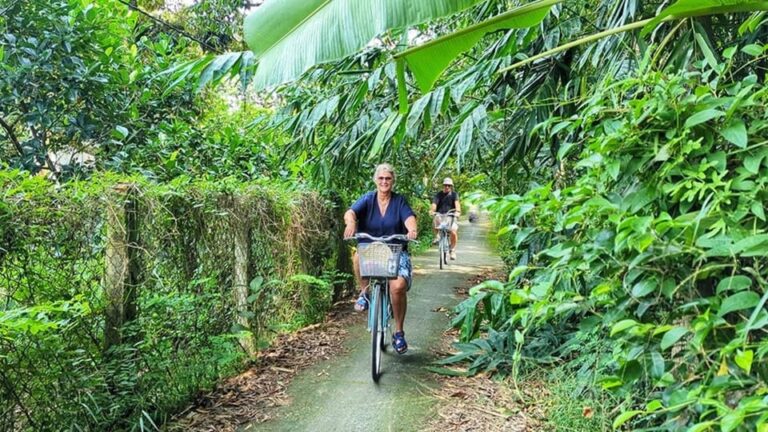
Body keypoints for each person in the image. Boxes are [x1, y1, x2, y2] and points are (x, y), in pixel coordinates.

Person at [343, 163, 418, 354]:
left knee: (398, 287)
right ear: (376, 180)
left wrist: (412, 229)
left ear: (393, 181)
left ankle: (399, 332)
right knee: (357, 256)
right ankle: (365, 294)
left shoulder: (399, 201)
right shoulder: (368, 199)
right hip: (371, 250)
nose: (384, 182)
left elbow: (409, 217)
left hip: (395, 251)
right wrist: (351, 223)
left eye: (388, 178)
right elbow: (350, 212)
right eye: (381, 178)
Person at [430, 177, 461, 260]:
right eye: (445, 185)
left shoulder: (454, 195)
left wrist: (457, 212)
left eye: (449, 185)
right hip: (440, 216)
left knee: (453, 231)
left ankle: (453, 250)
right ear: (443, 186)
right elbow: (434, 204)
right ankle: (437, 236)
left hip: (451, 216)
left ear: (451, 187)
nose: (447, 187)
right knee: (435, 219)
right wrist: (432, 211)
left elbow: (457, 205)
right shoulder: (438, 195)